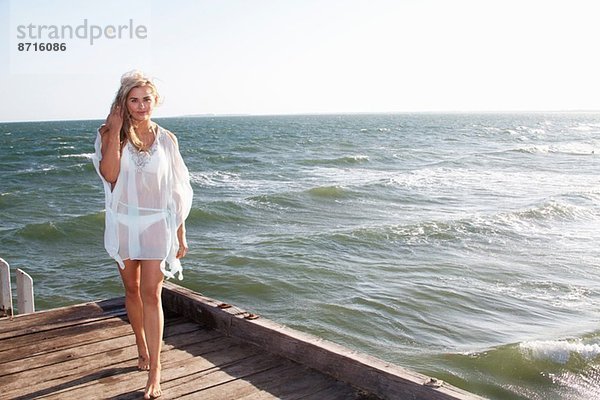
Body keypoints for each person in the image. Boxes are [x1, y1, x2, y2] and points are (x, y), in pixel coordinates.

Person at [92, 70, 193, 399]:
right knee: (132, 292)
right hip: (124, 224)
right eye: (133, 100)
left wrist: (180, 232)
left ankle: (155, 371)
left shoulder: (168, 140)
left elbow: (178, 190)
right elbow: (109, 175)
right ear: (124, 102)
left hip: (156, 225)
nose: (140, 105)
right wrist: (113, 132)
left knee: (152, 294)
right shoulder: (110, 134)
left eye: (146, 99)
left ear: (155, 101)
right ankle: (141, 345)